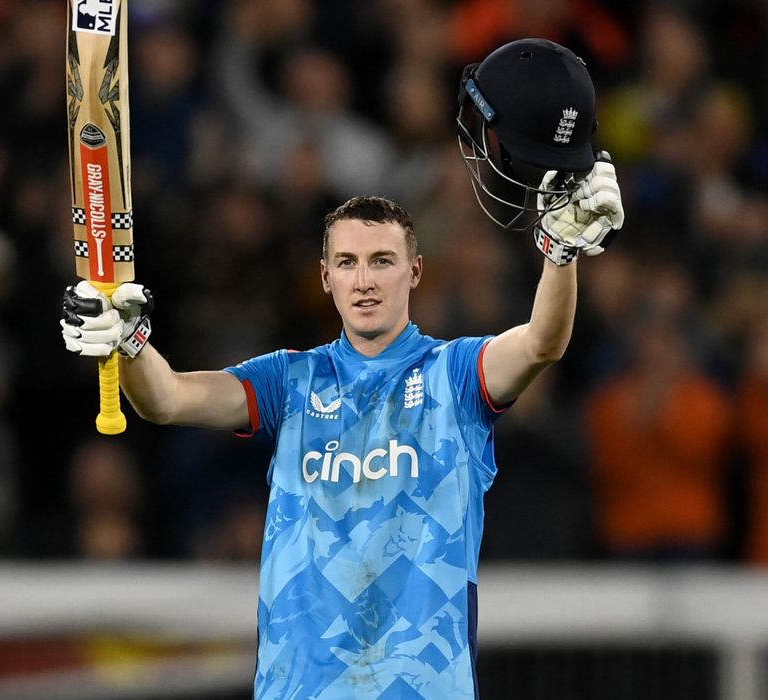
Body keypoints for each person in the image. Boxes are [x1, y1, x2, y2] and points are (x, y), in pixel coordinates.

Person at [60, 39, 623, 699]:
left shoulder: (453, 374)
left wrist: (559, 253)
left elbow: (541, 344)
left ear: (415, 272)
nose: (364, 280)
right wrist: (128, 342)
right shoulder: (289, 381)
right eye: (348, 263)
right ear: (325, 278)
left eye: (382, 261)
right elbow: (166, 399)